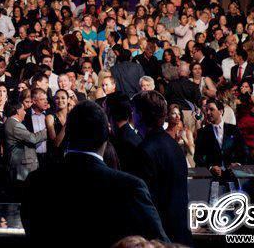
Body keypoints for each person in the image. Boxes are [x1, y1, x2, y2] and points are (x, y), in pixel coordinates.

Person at [22, 100, 168, 247]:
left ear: (68, 134)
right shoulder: (130, 188)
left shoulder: (36, 181)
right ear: (106, 137)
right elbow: (160, 242)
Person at [130, 91, 192, 245]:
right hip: (180, 230)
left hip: (160, 236)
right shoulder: (173, 145)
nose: (132, 115)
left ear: (141, 115)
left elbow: (146, 201)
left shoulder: (145, 150)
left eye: (134, 111)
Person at [195, 98, 251, 180]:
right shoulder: (202, 132)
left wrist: (238, 164)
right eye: (207, 110)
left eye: (211, 109)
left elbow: (245, 152)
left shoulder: (234, 130)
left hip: (233, 177)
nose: (208, 113)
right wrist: (210, 167)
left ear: (221, 111)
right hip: (212, 178)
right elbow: (198, 157)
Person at [4, 101, 47, 194]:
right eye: (23, 110)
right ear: (18, 111)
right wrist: (47, 130)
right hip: (22, 168)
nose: (25, 112)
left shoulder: (11, 123)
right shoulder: (14, 124)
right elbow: (33, 138)